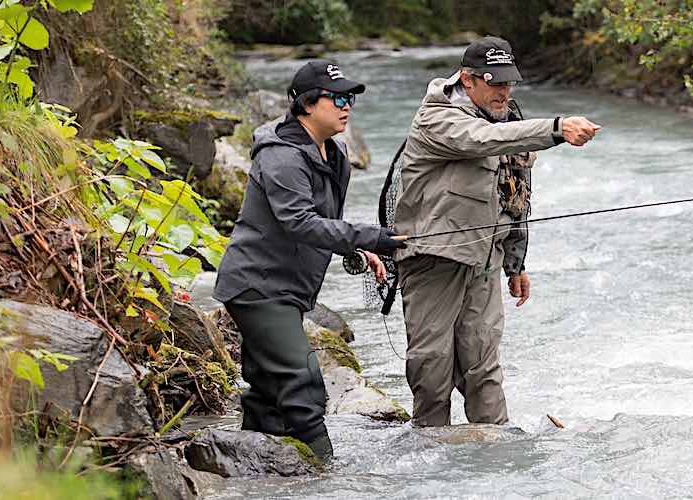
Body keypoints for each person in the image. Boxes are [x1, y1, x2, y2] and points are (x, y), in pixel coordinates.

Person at [392, 36, 600, 426]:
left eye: (508, 83)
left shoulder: (507, 117)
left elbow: (516, 194)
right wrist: (556, 128)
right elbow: (482, 140)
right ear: (467, 80)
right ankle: (430, 455)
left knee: (483, 365)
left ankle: (495, 456)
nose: (504, 91)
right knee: (432, 367)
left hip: (485, 259)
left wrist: (516, 264)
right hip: (433, 260)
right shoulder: (436, 117)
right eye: (495, 82)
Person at [213, 60, 404, 462]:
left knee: (268, 393)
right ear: (306, 104)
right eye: (336, 98)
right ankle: (326, 475)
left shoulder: (335, 153)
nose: (346, 106)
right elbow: (299, 222)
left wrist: (358, 248)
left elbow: (325, 222)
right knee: (303, 385)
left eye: (349, 98)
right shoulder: (281, 156)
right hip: (257, 287)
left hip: (287, 288)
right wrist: (372, 236)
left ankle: (255, 472)